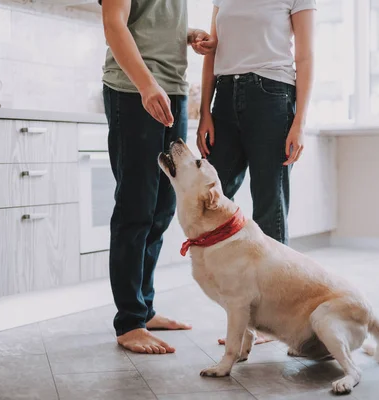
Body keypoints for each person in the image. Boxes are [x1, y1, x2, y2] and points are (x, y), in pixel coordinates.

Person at [196, 0, 316, 346]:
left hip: (272, 96)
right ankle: (240, 311)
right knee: (215, 201)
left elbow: (305, 56)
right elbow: (212, 53)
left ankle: (272, 319)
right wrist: (205, 111)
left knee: (269, 205)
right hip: (225, 98)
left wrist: (300, 122)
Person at [100, 0, 216, 354]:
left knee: (162, 210)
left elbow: (150, 23)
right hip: (134, 92)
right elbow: (114, 24)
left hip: (173, 92)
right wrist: (147, 85)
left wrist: (188, 35)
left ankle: (144, 308)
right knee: (135, 210)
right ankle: (130, 322)